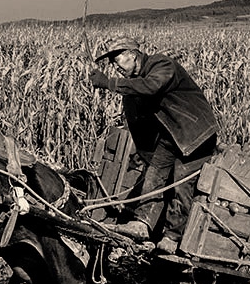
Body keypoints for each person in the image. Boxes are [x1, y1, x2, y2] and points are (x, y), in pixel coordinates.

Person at [90, 36, 219, 254]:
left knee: (181, 184)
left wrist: (108, 83)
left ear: (133, 54)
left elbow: (151, 86)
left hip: (195, 134)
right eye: (111, 62)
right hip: (171, 137)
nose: (115, 66)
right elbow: (139, 124)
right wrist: (144, 153)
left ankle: (172, 237)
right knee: (153, 176)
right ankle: (142, 224)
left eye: (117, 58)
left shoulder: (161, 65)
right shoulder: (133, 89)